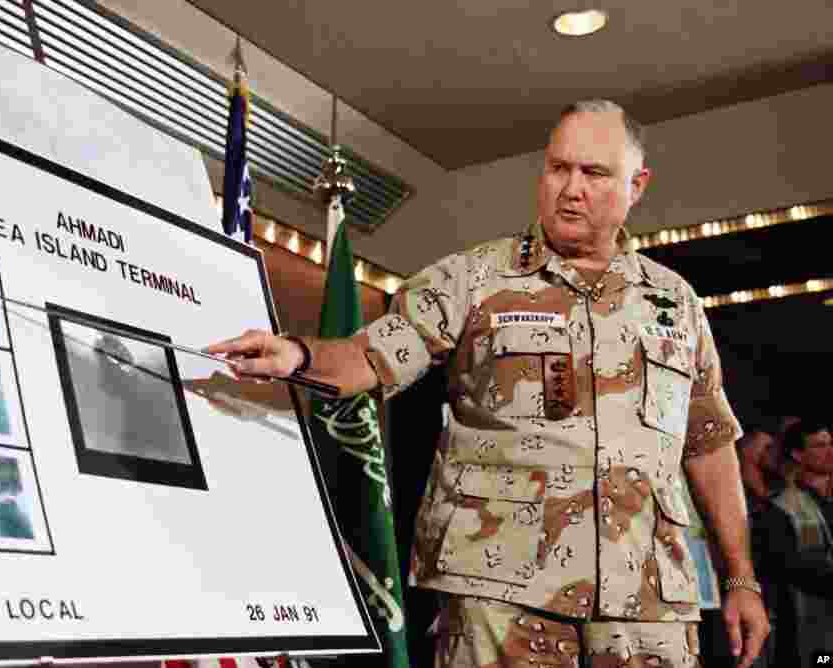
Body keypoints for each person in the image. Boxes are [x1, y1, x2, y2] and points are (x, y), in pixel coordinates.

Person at [208, 100, 768, 667]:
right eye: (558, 168)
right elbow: (369, 357)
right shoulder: (473, 280)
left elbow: (709, 444)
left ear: (637, 185)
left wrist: (741, 579)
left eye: (594, 173)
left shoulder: (675, 304)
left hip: (647, 607)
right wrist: (300, 353)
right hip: (502, 600)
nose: (570, 189)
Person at [753, 420, 833, 668]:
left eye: (831, 443)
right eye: (820, 445)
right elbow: (789, 564)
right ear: (798, 454)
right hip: (808, 630)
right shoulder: (782, 506)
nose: (830, 451)